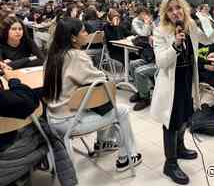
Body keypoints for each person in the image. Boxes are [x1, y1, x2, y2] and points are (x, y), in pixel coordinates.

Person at [43, 18, 142, 172]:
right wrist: (103, 76)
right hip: (69, 121)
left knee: (98, 102)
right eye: (83, 31)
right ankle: (127, 157)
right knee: (119, 109)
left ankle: (103, 142)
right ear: (73, 37)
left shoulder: (51, 56)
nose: (87, 33)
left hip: (53, 116)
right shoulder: (76, 56)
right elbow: (101, 80)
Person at [150, 0, 214, 185]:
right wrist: (175, 45)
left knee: (185, 117)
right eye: (170, 10)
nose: (175, 12)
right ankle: (170, 164)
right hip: (171, 84)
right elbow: (161, 62)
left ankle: (179, 148)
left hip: (188, 79)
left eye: (178, 8)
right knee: (171, 122)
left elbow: (209, 39)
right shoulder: (160, 30)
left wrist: (206, 19)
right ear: (165, 13)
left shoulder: (191, 25)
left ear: (184, 8)